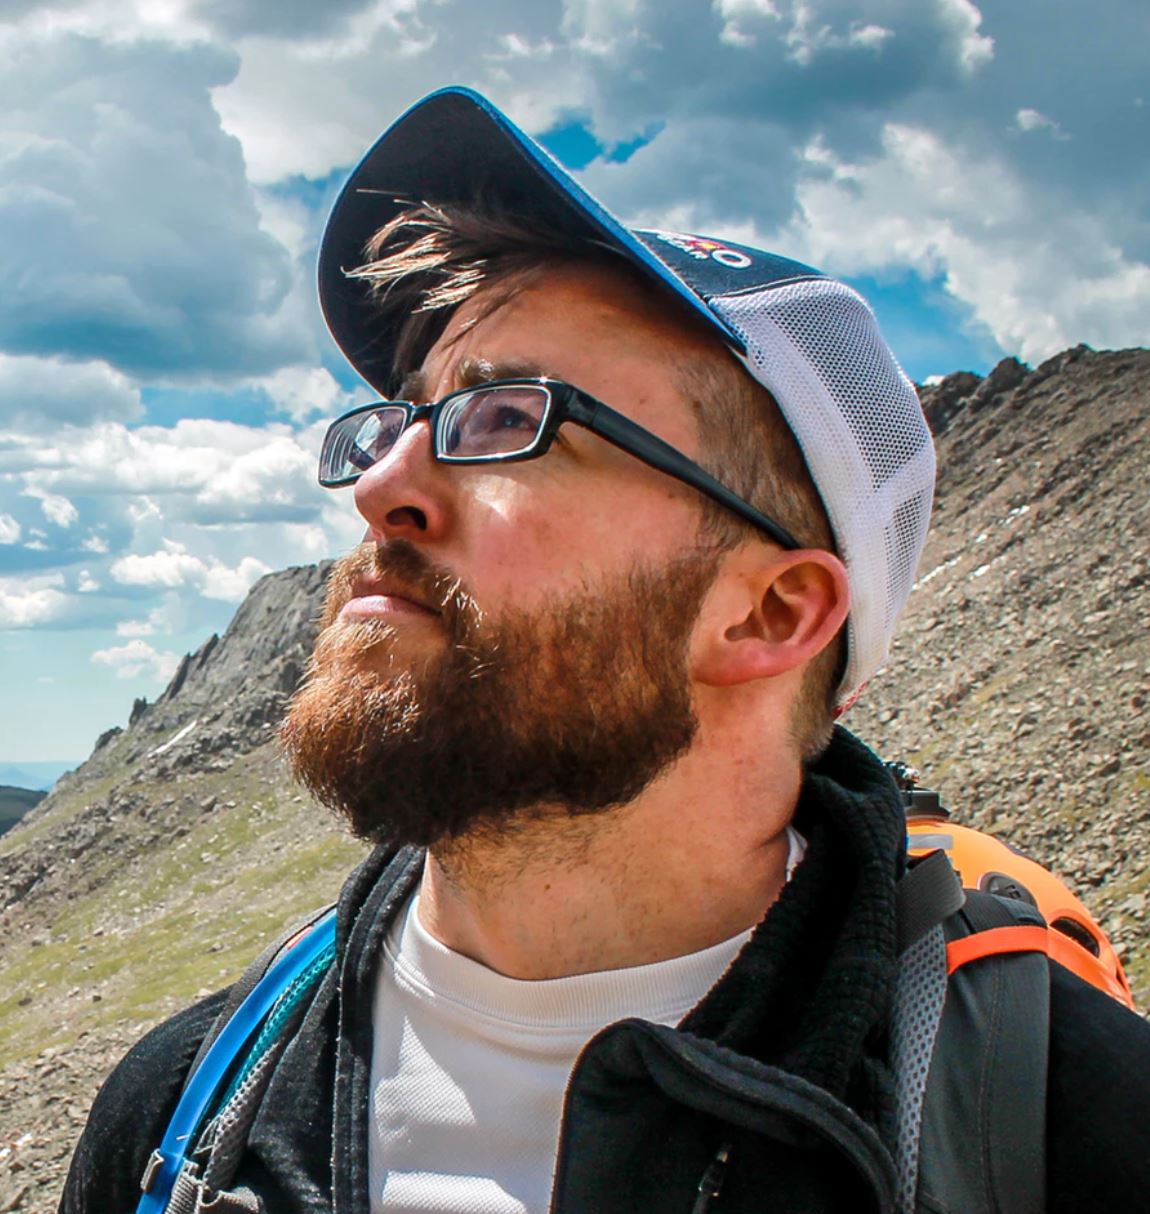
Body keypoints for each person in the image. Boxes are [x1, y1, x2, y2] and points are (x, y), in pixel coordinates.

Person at [61, 87, 1150, 1214]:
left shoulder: (1075, 1135)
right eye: (403, 420)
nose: (382, 485)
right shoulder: (185, 1104)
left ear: (770, 614)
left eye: (510, 418)